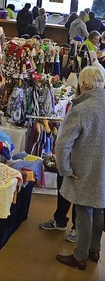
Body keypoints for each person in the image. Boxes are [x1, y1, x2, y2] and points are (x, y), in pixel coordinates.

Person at [55, 66, 105, 270]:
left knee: (84, 210)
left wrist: (64, 169)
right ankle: (95, 249)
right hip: (102, 169)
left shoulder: (81, 110)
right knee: (99, 208)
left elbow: (62, 143)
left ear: (83, 84)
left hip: (83, 169)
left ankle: (80, 255)